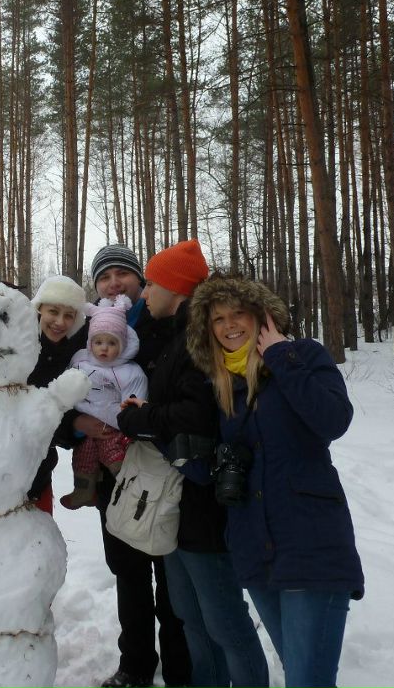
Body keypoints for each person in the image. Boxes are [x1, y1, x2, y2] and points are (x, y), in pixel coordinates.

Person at [186, 273, 364, 688]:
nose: (229, 325)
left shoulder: (302, 355)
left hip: (310, 542)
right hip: (254, 549)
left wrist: (281, 355)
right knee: (303, 675)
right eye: (218, 319)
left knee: (307, 680)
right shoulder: (221, 383)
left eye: (239, 314)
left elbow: (333, 421)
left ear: (261, 315)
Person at [119, 242, 269, 688]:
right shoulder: (178, 337)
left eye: (151, 284)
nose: (144, 294)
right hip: (180, 500)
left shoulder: (198, 340)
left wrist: (138, 418)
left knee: (223, 620)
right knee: (189, 617)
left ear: (175, 287)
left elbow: (196, 415)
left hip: (205, 503)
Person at [56, 244, 191, 688]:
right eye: (105, 277)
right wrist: (76, 422)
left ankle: (178, 667)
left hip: (165, 471)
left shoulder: (166, 323)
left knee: (172, 578)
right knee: (128, 572)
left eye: (124, 274)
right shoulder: (85, 334)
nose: (115, 283)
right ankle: (134, 664)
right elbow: (63, 395)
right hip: (113, 478)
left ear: (141, 281)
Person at [59, 295, 147, 510]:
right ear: (90, 343)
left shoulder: (129, 371)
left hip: (113, 427)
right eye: (98, 342)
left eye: (111, 343)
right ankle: (83, 491)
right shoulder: (79, 360)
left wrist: (121, 421)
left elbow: (135, 402)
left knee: (114, 455)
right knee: (84, 456)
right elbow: (64, 385)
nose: (104, 349)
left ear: (123, 344)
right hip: (85, 428)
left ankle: (128, 486)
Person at [27, 275, 89, 512]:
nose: (60, 322)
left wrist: (74, 425)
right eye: (53, 311)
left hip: (40, 472)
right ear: (39, 309)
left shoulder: (74, 356)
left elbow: (68, 412)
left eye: (69, 315)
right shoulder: (18, 350)